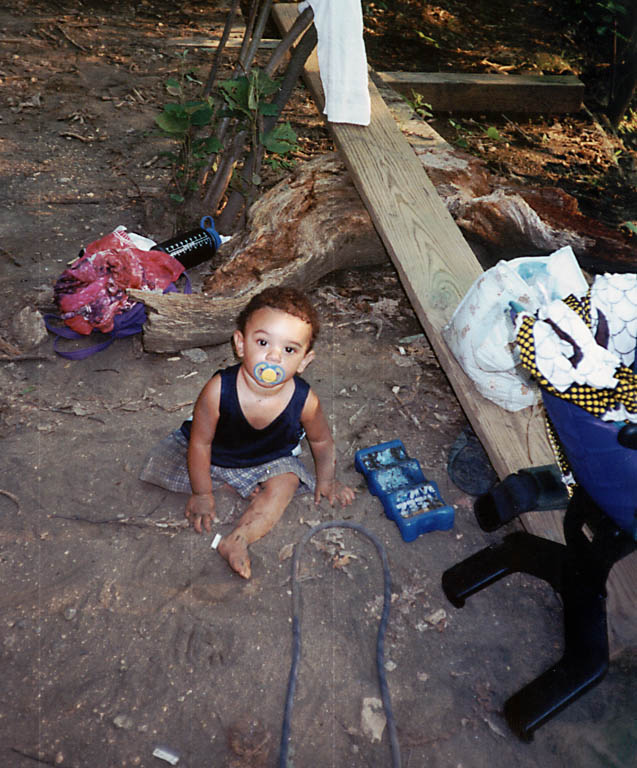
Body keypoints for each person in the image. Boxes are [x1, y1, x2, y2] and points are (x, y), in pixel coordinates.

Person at [140, 287, 355, 578]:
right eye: (263, 342)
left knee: (288, 481)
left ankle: (238, 538)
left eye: (289, 349)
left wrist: (327, 480)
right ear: (240, 344)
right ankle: (230, 485)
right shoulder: (218, 389)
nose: (274, 356)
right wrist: (202, 492)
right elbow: (200, 444)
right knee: (178, 464)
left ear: (304, 360)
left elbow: (321, 440)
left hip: (270, 459)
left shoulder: (305, 400)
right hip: (216, 456)